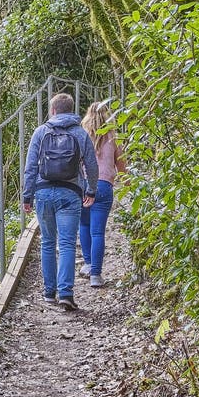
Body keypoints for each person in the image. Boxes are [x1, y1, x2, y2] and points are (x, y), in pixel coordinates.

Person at [23, 92, 98, 311]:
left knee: (48, 242)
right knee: (66, 244)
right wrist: (91, 190)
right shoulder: (80, 133)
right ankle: (66, 293)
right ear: (71, 109)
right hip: (70, 193)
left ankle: (49, 293)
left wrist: (27, 196)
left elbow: (30, 167)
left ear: (53, 110)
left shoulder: (40, 132)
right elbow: (92, 166)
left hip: (43, 192)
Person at [79, 101, 127, 288]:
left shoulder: (81, 135)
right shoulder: (113, 136)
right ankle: (96, 276)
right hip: (104, 186)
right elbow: (121, 165)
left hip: (83, 184)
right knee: (98, 231)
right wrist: (127, 184)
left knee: (84, 224)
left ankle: (88, 263)